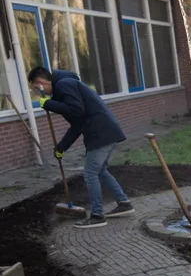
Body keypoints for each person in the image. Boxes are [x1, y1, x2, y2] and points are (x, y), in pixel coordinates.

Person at [28, 67, 133, 229]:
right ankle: (124, 203)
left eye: (35, 88)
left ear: (41, 83)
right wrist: (62, 147)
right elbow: (77, 125)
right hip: (106, 131)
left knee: (90, 173)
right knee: (100, 170)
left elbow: (77, 110)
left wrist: (49, 104)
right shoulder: (65, 87)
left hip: (100, 133)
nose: (36, 92)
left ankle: (97, 215)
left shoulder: (64, 85)